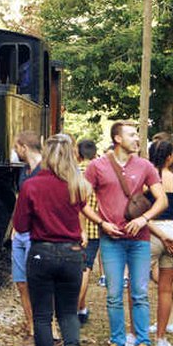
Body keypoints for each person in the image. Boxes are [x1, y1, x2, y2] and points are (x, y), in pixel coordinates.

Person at [82, 120, 166, 346]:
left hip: (139, 240)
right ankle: (117, 344)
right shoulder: (97, 167)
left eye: (137, 134)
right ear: (117, 138)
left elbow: (161, 201)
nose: (137, 138)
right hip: (111, 239)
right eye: (131, 134)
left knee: (139, 292)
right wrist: (101, 223)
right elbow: (81, 200)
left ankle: (142, 344)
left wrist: (143, 219)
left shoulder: (145, 166)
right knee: (113, 294)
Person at [13, 133, 90, 346]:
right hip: (71, 253)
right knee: (67, 311)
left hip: (41, 253)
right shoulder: (79, 185)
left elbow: (20, 225)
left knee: (42, 316)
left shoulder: (31, 185)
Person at [145, 139, 173, 346]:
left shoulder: (146, 180)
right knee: (165, 289)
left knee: (138, 287)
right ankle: (161, 338)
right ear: (170, 157)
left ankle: (136, 335)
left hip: (151, 232)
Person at [12, 131, 44, 346]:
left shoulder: (46, 170)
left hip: (38, 233)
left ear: (24, 147)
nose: (15, 151)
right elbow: (19, 200)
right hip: (20, 234)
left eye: (17, 147)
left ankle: (41, 327)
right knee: (21, 282)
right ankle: (30, 324)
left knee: (37, 282)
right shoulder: (24, 171)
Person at [76, 138, 100, 325]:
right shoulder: (100, 172)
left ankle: (80, 307)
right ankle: (77, 308)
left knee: (78, 268)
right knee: (85, 269)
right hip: (93, 229)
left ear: (78, 152)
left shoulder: (74, 173)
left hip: (73, 228)